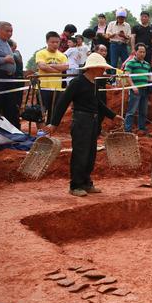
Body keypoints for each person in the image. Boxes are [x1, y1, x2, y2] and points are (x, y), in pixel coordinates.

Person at [44, 53, 123, 197]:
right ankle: (75, 185)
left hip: (93, 121)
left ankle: (86, 182)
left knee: (91, 153)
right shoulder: (77, 82)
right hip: (81, 121)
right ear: (94, 68)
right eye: (101, 68)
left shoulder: (95, 83)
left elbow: (98, 103)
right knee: (81, 153)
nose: (103, 71)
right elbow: (63, 102)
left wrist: (112, 115)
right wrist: (54, 123)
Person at [36, 31, 69, 124]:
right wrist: (58, 68)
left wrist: (49, 66)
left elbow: (66, 67)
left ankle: (50, 132)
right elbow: (42, 66)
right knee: (41, 111)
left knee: (54, 111)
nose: (55, 44)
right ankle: (41, 132)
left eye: (57, 42)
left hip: (57, 88)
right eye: (52, 42)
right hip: (43, 87)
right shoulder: (41, 53)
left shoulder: (62, 55)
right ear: (47, 42)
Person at [0, 21, 21, 128]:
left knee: (11, 106)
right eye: (7, 31)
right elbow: (4, 59)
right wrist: (3, 60)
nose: (10, 34)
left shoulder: (6, 43)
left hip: (9, 79)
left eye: (11, 31)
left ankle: (13, 132)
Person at [123, 44, 152, 136]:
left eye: (144, 52)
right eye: (140, 52)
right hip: (135, 89)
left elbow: (149, 76)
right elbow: (127, 75)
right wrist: (133, 86)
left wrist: (151, 83)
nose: (142, 54)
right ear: (135, 52)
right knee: (131, 110)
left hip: (145, 89)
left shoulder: (147, 64)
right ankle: (127, 130)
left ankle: (141, 128)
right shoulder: (130, 63)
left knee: (143, 111)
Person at [92, 44, 112, 135]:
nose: (104, 53)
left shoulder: (105, 63)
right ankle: (93, 130)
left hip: (103, 90)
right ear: (96, 51)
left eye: (105, 51)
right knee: (94, 111)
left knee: (102, 111)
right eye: (102, 50)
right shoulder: (90, 61)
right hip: (92, 90)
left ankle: (98, 129)